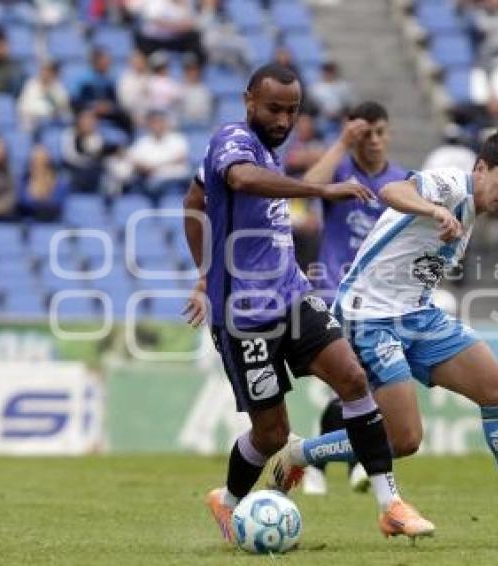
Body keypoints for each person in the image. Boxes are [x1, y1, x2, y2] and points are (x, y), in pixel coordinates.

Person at [266, 130, 498, 537]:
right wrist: (434, 211)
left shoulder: (473, 212)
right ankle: (298, 453)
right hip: (370, 316)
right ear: (481, 168)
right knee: (403, 439)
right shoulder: (450, 184)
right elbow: (393, 190)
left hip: (418, 314)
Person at [182, 63, 434, 543]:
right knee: (272, 435)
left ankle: (390, 505)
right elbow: (238, 181)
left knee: (353, 378)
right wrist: (319, 189)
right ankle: (227, 501)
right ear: (249, 100)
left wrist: (203, 271)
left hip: (294, 295)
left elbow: (194, 200)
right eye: (273, 108)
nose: (283, 120)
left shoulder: (269, 152)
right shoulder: (232, 140)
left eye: (292, 111)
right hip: (244, 316)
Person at [299, 101, 408, 496]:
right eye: (365, 133)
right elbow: (307, 186)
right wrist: (342, 142)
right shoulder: (339, 172)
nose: (373, 140)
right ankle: (346, 464)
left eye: (380, 132)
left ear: (389, 134)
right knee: (352, 382)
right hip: (336, 291)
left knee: (362, 388)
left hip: (382, 298)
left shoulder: (402, 180)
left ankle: (320, 462)